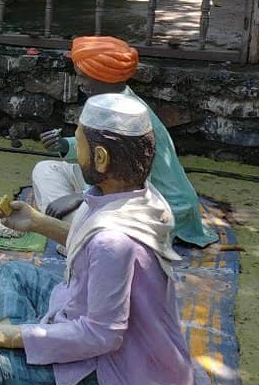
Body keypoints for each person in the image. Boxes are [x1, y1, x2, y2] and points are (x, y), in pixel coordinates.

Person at [0, 93, 195, 385]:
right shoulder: (139, 195)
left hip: (115, 372)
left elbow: (101, 336)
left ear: (101, 157)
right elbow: (91, 249)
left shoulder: (113, 241)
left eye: (78, 144)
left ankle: (15, 350)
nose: (75, 153)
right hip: (85, 319)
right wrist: (38, 223)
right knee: (11, 273)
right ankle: (27, 345)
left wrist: (4, 335)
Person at [33, 35, 216, 247]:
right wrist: (66, 145)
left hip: (155, 204)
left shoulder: (127, 116)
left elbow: (124, 179)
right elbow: (97, 152)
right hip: (112, 186)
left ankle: (81, 241)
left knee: (86, 224)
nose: (79, 83)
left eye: (83, 77)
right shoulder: (109, 99)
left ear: (104, 78)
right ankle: (75, 230)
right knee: (45, 169)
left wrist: (81, 198)